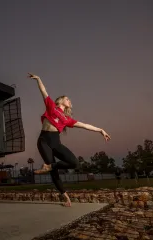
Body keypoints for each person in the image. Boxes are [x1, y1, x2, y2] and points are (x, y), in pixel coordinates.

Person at [29, 73, 111, 207]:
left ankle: (49, 166)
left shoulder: (67, 120)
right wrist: (38, 79)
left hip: (55, 142)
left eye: (69, 100)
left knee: (74, 162)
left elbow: (84, 125)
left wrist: (100, 130)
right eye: (67, 99)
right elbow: (43, 91)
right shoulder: (51, 107)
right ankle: (66, 197)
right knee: (53, 173)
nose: (69, 100)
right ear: (60, 101)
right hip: (43, 141)